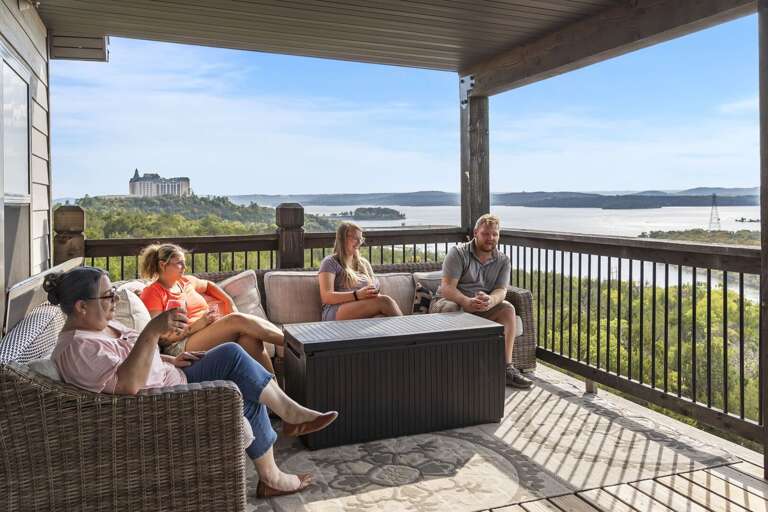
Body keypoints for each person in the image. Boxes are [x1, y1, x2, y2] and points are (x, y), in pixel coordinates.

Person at [45, 266, 338, 498]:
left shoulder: (102, 326)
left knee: (231, 354)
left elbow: (132, 363)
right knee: (240, 385)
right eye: (108, 296)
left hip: (172, 377)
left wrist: (170, 360)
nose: (115, 301)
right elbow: (127, 386)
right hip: (165, 403)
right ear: (82, 307)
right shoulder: (77, 348)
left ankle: (288, 417)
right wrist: (151, 332)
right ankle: (276, 463)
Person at [138, 244, 282, 374]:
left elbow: (208, 285)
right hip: (181, 344)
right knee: (236, 319)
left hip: (206, 330)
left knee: (250, 339)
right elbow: (161, 338)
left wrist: (229, 302)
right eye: (180, 263)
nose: (185, 267)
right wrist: (196, 326)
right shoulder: (152, 292)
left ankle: (276, 396)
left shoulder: (185, 281)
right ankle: (292, 344)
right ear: (163, 265)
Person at [430, 214, 533, 389]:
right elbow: (447, 288)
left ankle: (506, 368)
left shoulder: (503, 260)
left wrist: (491, 300)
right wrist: (466, 301)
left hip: (480, 307)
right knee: (452, 307)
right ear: (476, 233)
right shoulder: (458, 253)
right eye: (486, 234)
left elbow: (501, 290)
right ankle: (453, 370)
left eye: (495, 234)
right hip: (448, 302)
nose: (490, 238)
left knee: (508, 308)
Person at [318, 221, 402, 321]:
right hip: (336, 310)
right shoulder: (330, 262)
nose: (359, 243)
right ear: (342, 239)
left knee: (383, 315)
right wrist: (357, 295)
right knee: (386, 302)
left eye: (360, 239)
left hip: (360, 306)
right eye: (355, 238)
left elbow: (375, 290)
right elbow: (327, 297)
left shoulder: (364, 264)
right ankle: (410, 332)